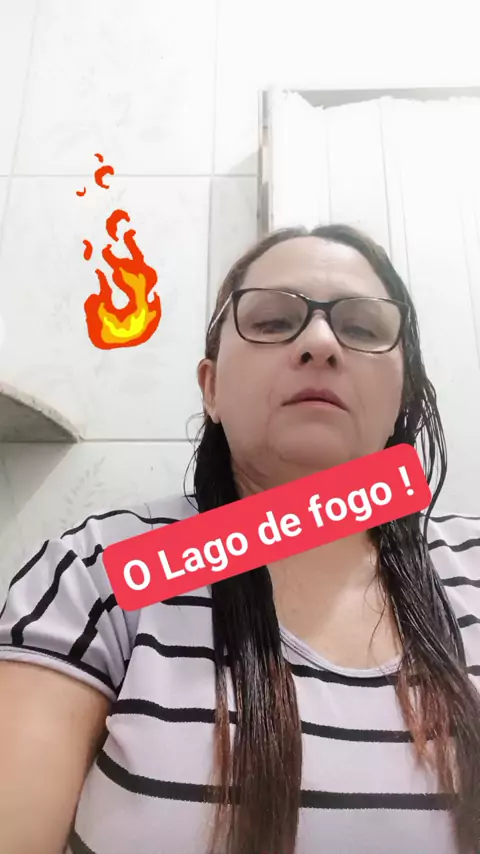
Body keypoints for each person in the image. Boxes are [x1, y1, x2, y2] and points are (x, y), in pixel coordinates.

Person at [0, 224, 479, 854]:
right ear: (212, 387)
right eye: (273, 321)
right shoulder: (98, 573)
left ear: (404, 392)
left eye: (362, 328)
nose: (319, 343)